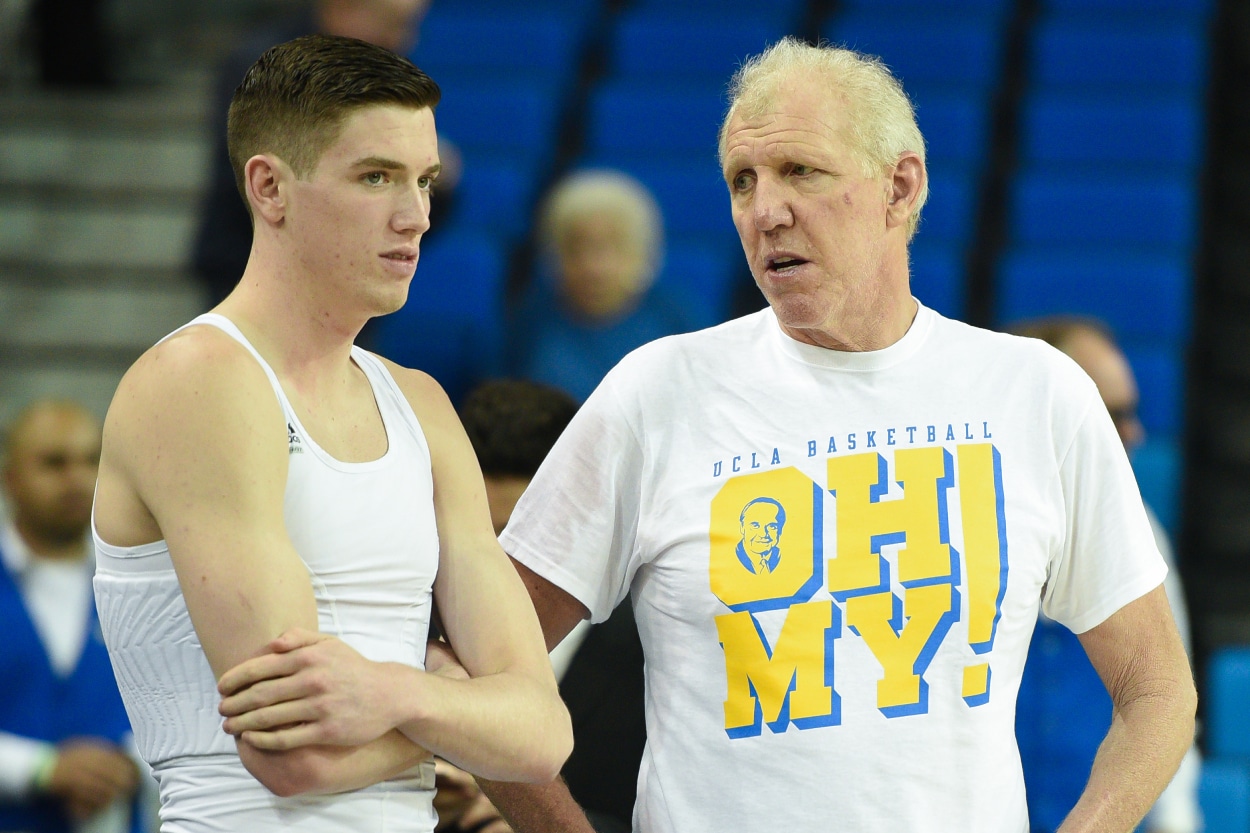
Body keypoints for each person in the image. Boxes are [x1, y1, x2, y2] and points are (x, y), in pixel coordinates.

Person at [478, 38, 1197, 832]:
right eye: (742, 182)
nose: (764, 210)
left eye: (800, 172)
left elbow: (1159, 689)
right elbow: (486, 666)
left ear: (900, 185)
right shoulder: (657, 392)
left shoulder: (1036, 392)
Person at [91, 33, 570, 833]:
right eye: (376, 177)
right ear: (270, 187)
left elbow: (545, 736)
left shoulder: (420, 404)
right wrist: (461, 705)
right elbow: (295, 758)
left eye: (423, 180)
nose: (416, 215)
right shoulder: (200, 381)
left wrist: (394, 693)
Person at [1009, 316, 1202, 833]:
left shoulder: (1142, 535)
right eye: (1113, 415)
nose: (1135, 433)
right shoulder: (954, 527)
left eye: (1132, 412)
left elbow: (1167, 698)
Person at [189, 0, 462, 309]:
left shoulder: (389, 66)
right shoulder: (260, 66)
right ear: (342, 7)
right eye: (393, 24)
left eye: (425, 181)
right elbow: (239, 174)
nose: (406, 40)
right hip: (247, 266)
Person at [459, 379, 643, 833]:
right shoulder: (407, 635)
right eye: (477, 535)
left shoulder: (657, 650)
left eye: (521, 538)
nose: (498, 560)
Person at [0, 399, 145, 833]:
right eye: (53, 463)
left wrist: (129, 766)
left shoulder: (145, 582)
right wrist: (42, 770)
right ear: (10, 478)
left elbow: (192, 704)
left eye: (90, 461)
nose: (77, 478)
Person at [507, 169, 708, 402]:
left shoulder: (679, 317)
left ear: (642, 251)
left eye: (613, 246)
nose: (594, 267)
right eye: (576, 248)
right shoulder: (531, 320)